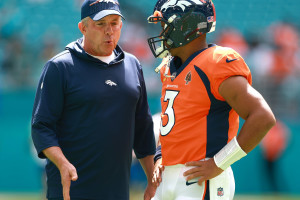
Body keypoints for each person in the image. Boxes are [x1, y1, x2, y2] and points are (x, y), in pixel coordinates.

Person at [147, 0, 276, 199]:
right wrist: (160, 156)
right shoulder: (169, 66)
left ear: (186, 27)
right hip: (168, 176)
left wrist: (219, 162)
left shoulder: (216, 62)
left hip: (200, 177)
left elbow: (263, 117)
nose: (162, 33)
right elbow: (173, 123)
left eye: (166, 26)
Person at [31, 0, 156, 199]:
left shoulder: (133, 65)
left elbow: (142, 127)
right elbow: (41, 127)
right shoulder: (59, 67)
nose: (109, 30)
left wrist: (152, 179)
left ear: (121, 26)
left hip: (118, 192)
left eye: (114, 23)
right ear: (83, 28)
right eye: (100, 23)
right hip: (70, 191)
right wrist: (62, 163)